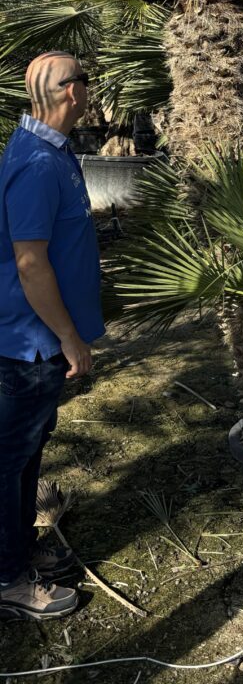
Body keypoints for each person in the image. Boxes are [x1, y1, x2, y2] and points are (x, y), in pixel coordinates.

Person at [0, 52, 104, 620]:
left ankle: (16, 549)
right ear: (70, 92)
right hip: (31, 342)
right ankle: (8, 577)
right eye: (85, 80)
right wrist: (68, 337)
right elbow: (30, 262)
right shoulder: (37, 161)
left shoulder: (53, 151)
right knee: (10, 458)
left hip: (38, 340)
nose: (91, 90)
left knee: (27, 450)